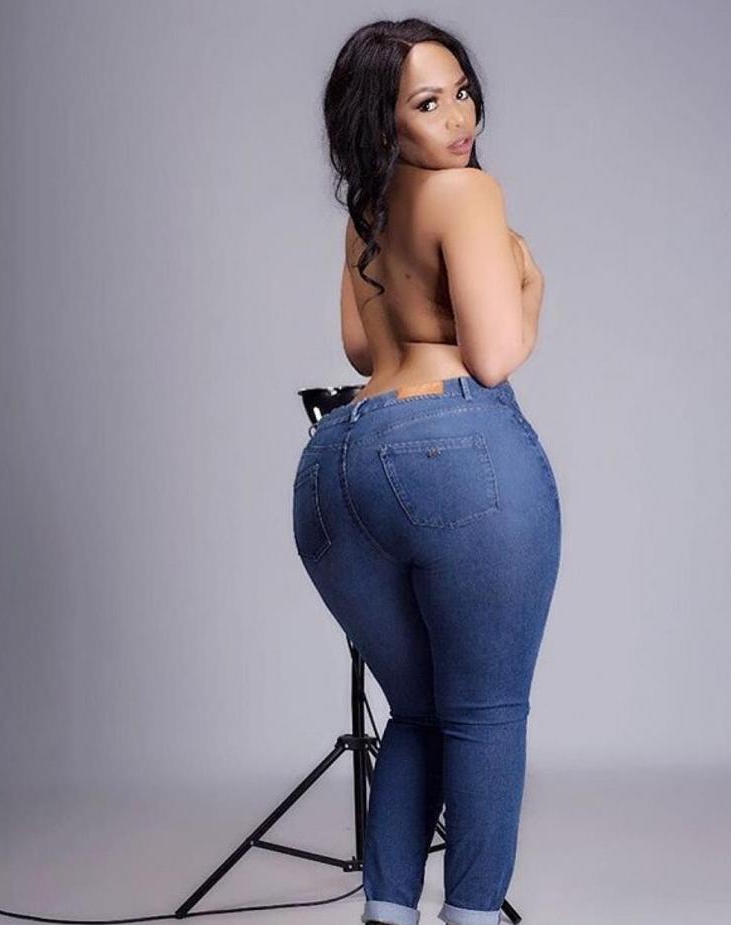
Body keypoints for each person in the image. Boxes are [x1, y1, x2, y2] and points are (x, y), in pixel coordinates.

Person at [292, 17, 561, 925]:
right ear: (384, 121)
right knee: (484, 714)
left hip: (337, 465)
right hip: (453, 452)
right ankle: (473, 914)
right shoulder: (468, 192)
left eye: (463, 93)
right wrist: (529, 289)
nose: (460, 118)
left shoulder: (365, 214)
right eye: (429, 103)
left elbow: (361, 346)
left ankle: (388, 909)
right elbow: (493, 356)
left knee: (416, 712)